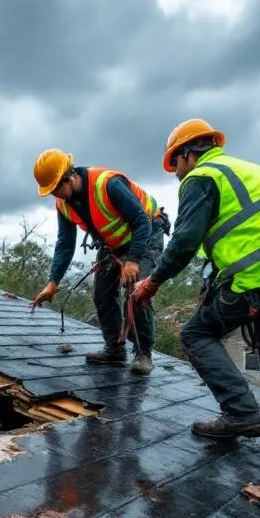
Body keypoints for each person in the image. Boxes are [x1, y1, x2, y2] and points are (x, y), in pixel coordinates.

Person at [132, 119, 260, 459]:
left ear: (187, 154)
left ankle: (241, 413)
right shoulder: (249, 170)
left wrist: (152, 282)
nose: (176, 173)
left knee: (196, 334)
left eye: (175, 164)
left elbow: (184, 242)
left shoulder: (201, 176)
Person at [29, 149, 168, 376]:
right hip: (113, 245)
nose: (55, 195)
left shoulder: (107, 185)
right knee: (102, 293)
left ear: (69, 177)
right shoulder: (63, 204)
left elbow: (141, 221)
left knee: (136, 290)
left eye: (56, 188)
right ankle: (115, 349)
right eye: (51, 191)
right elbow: (65, 244)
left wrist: (133, 260)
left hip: (146, 234)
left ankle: (144, 354)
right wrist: (52, 282)